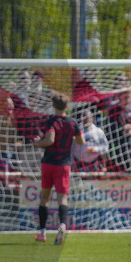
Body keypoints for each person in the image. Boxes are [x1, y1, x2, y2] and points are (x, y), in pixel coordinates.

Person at [33, 92, 85, 245]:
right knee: (63, 198)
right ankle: (62, 225)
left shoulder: (51, 121)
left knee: (45, 197)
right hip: (63, 164)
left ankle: (42, 232)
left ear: (53, 106)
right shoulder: (72, 123)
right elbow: (81, 141)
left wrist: (38, 143)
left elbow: (50, 139)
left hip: (49, 163)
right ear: (67, 106)